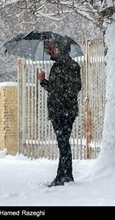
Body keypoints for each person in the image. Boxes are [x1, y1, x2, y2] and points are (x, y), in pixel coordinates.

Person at [37, 40, 82, 187]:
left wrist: (55, 88)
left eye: (54, 49)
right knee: (63, 143)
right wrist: (43, 82)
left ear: (61, 49)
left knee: (63, 144)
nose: (52, 52)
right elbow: (62, 88)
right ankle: (66, 175)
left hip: (60, 111)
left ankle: (62, 176)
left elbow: (65, 89)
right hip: (67, 110)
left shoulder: (61, 67)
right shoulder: (72, 66)